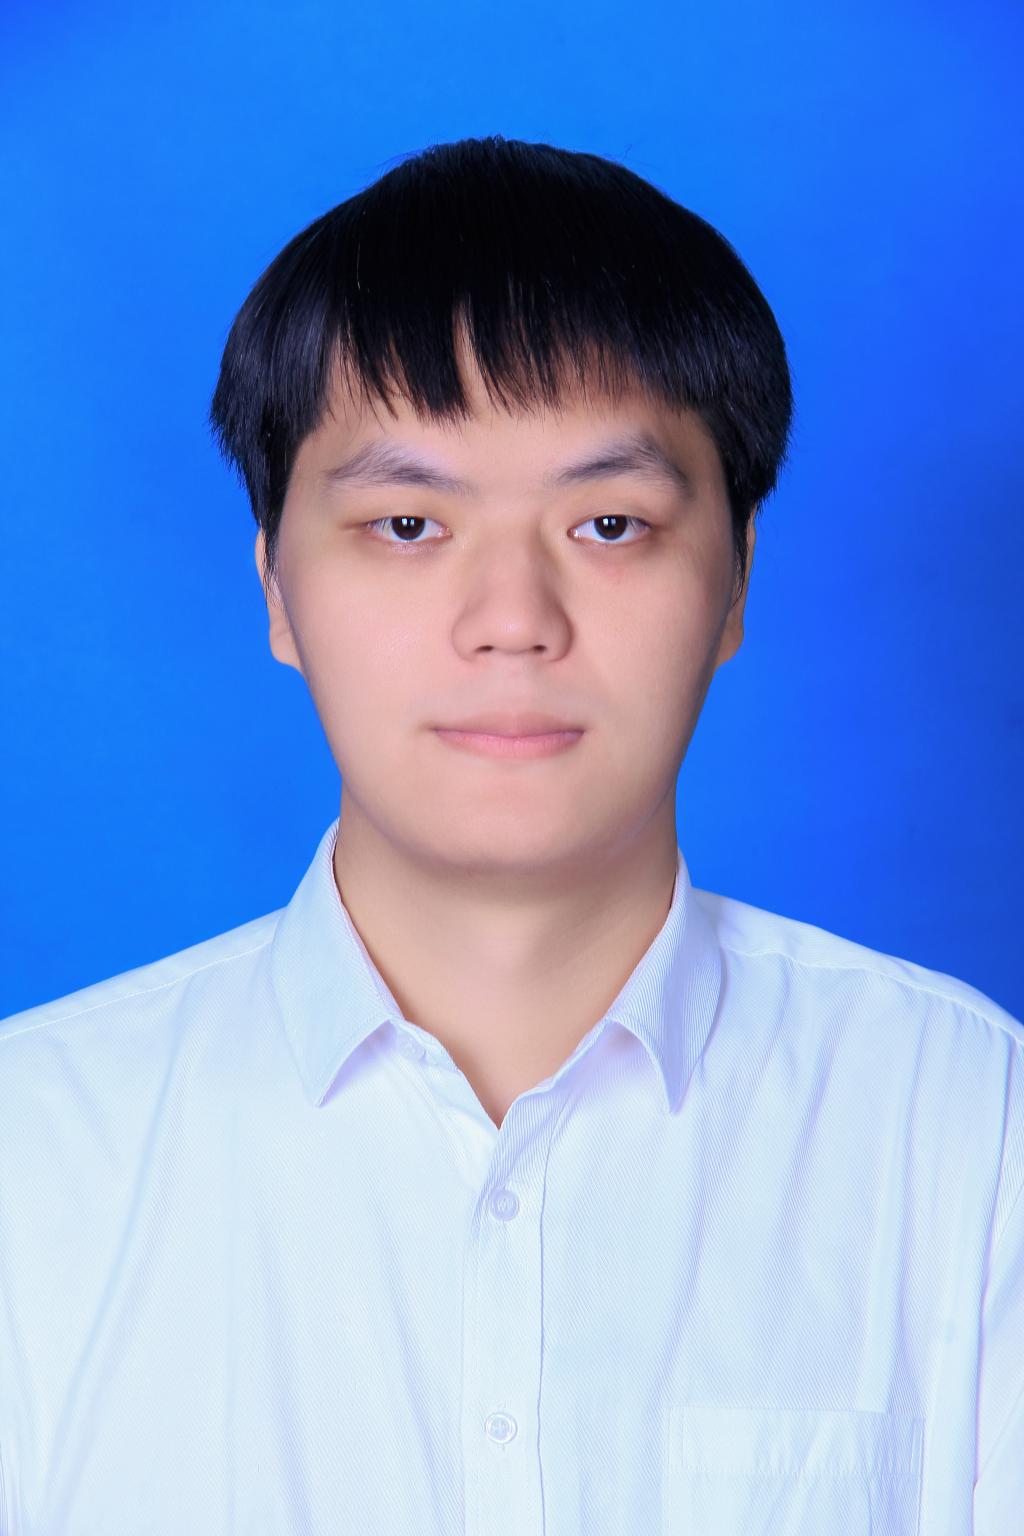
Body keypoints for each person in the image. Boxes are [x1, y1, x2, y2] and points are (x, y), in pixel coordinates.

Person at [0, 135, 1019, 1534]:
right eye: (407, 524)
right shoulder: (34, 1157)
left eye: (608, 523)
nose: (512, 620)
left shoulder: (969, 1131)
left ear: (734, 582)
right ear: (277, 589)